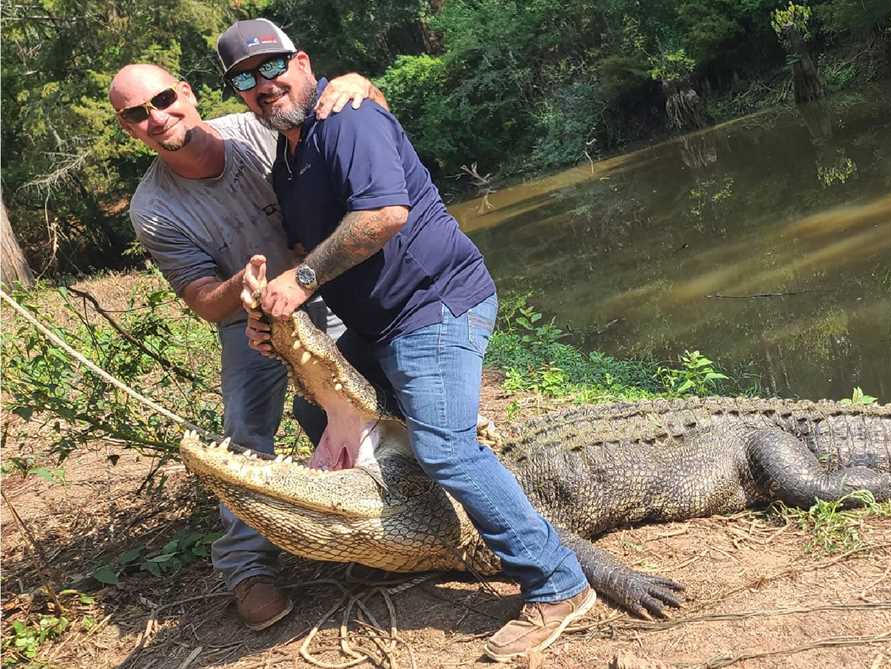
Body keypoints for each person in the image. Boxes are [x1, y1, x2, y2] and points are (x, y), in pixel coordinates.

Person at [218, 18, 596, 661]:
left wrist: (302, 280)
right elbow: (310, 246)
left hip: (435, 306)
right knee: (317, 406)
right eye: (244, 78)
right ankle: (407, 522)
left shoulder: (348, 119)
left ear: (301, 61)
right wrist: (274, 314)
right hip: (379, 323)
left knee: (447, 448)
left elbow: (385, 214)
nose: (263, 84)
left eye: (271, 66)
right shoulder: (289, 151)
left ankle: (557, 583)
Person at [108, 61, 384, 631]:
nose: (156, 117)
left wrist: (358, 85)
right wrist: (242, 285)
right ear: (128, 128)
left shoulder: (255, 129)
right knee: (244, 434)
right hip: (246, 319)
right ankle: (246, 568)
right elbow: (204, 301)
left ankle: (371, 519)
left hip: (321, 291)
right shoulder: (152, 209)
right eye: (137, 113)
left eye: (162, 99)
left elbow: (340, 123)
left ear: (185, 92)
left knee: (346, 407)